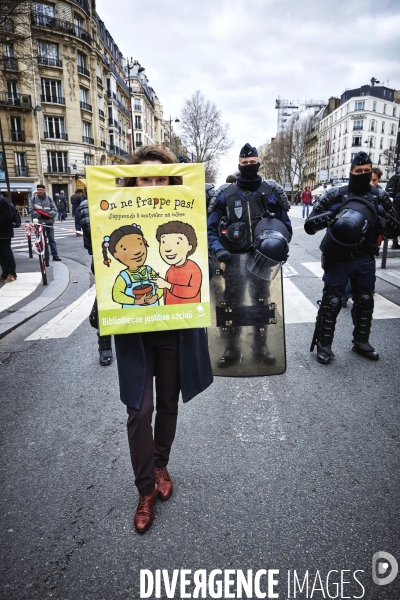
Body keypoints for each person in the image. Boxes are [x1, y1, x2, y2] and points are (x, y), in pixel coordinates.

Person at [100, 145, 213, 533]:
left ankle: (161, 463)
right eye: (145, 177)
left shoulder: (186, 215)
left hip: (173, 329)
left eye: (160, 178)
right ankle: (145, 489)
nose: (152, 184)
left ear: (171, 182)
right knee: (138, 410)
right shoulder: (117, 215)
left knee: (168, 403)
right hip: (134, 334)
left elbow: (204, 255)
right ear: (133, 181)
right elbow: (105, 274)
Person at [304, 151, 400, 365]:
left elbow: (395, 230)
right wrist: (332, 216)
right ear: (351, 172)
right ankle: (324, 345)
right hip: (338, 257)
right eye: (359, 171)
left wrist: (381, 218)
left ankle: (361, 342)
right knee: (332, 301)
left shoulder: (379, 196)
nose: (363, 174)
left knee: (365, 299)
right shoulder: (336, 195)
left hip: (365, 256)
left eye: (367, 171)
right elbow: (310, 225)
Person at [208, 143, 292, 367]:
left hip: (261, 260)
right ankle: (232, 348)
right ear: (239, 165)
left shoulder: (272, 192)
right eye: (244, 163)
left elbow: (286, 228)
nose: (248, 166)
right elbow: (210, 228)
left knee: (262, 303)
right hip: (232, 259)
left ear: (258, 164)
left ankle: (260, 347)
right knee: (231, 304)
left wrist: (276, 246)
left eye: (252, 163)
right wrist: (218, 249)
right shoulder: (225, 194)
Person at [77, 198, 114, 367]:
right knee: (107, 298)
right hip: (104, 257)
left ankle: (105, 345)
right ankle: (105, 344)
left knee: (106, 297)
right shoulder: (89, 204)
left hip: (101, 257)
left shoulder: (86, 204)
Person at [28, 184, 61, 261]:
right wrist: (40, 216)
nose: (39, 191)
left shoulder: (49, 199)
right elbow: (31, 210)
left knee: (52, 239)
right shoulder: (33, 199)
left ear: (44, 190)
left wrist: (49, 215)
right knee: (41, 240)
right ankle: (45, 256)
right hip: (40, 223)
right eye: (38, 189)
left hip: (49, 222)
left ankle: (55, 255)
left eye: (41, 189)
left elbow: (55, 209)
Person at [0, 194, 17, 283]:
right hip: (2, 232)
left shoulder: (2, 201)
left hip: (4, 232)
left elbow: (7, 216)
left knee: (7, 253)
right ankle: (5, 273)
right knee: (1, 255)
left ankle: (12, 274)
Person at [386, 166, 400, 249]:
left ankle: (395, 242)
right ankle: (395, 242)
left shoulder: (395, 177)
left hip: (397, 200)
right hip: (397, 200)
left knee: (396, 220)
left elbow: (389, 190)